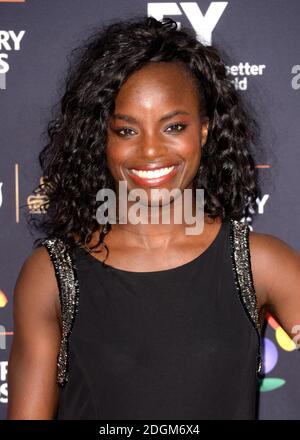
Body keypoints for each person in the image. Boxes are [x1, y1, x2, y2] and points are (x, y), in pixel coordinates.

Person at [6, 16, 300, 420]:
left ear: (203, 132)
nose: (149, 152)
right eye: (127, 131)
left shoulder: (260, 263)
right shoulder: (51, 275)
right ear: (101, 138)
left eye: (173, 127)